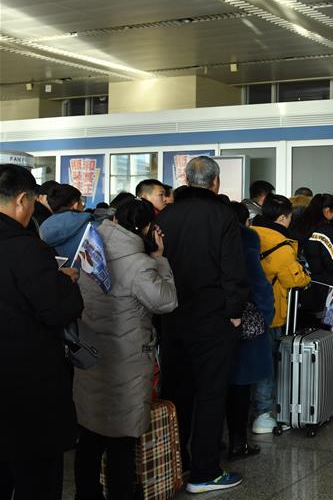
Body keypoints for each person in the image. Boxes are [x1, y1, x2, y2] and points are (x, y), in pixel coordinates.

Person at [154, 156, 249, 493]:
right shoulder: (222, 215)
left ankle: (176, 465)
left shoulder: (166, 214)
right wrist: (235, 310)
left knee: (177, 392)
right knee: (211, 393)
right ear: (215, 182)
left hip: (172, 314)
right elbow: (233, 268)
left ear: (186, 179)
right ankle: (204, 472)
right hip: (212, 316)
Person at [72, 199, 177, 500]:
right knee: (121, 442)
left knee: (90, 437)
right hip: (127, 360)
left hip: (90, 354)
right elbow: (166, 301)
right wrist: (160, 259)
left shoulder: (90, 250)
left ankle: (86, 495)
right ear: (145, 228)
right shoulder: (141, 264)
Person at [0, 164, 84, 499]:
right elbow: (59, 310)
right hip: (28, 383)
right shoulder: (26, 248)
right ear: (23, 200)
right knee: (38, 476)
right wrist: (65, 282)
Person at [251, 194, 310, 433]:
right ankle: (264, 414)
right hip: (272, 310)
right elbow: (294, 278)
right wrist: (306, 276)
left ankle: (252, 410)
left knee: (252, 361)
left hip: (247, 310)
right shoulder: (281, 245)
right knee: (268, 365)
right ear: (284, 217)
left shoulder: (250, 234)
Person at [226, 202, 276, 457]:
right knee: (240, 385)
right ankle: (238, 442)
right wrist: (265, 315)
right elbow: (258, 283)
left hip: (208, 321)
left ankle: (211, 443)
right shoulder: (245, 239)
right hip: (242, 321)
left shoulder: (201, 238)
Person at [293, 194, 333, 327]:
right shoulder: (323, 230)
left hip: (299, 289)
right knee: (322, 335)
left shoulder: (297, 225)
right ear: (327, 210)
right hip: (321, 290)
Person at [40, 184, 94, 264]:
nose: (83, 207)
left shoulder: (42, 228)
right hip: (84, 275)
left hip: (57, 275)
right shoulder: (91, 227)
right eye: (81, 202)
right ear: (75, 204)